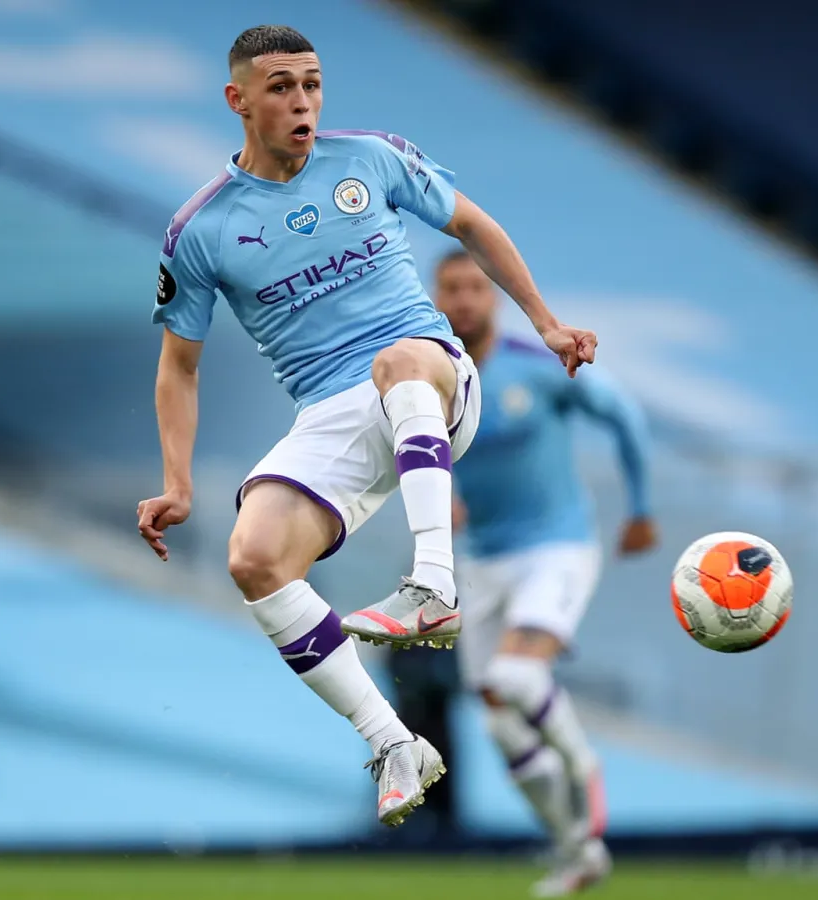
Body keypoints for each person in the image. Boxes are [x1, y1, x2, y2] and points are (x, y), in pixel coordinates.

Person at [133, 25, 596, 829]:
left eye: (311, 83)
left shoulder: (372, 159)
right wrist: (177, 481)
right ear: (237, 100)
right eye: (280, 87)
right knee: (254, 556)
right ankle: (392, 743)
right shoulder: (201, 231)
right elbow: (179, 367)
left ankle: (433, 585)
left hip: (433, 372)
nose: (302, 101)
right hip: (330, 411)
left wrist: (547, 324)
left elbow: (473, 225)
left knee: (398, 364)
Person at [433, 250, 657, 895]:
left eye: (476, 286)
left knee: (515, 675)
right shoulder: (435, 379)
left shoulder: (540, 367)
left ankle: (583, 763)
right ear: (437, 298)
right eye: (452, 288)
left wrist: (641, 509)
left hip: (556, 548)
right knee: (499, 718)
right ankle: (576, 852)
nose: (465, 299)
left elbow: (624, 417)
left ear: (494, 298)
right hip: (481, 562)